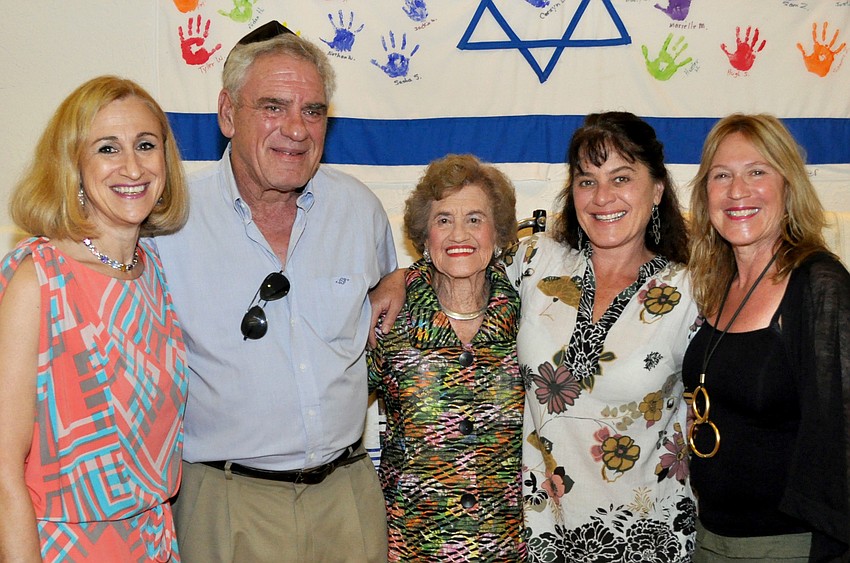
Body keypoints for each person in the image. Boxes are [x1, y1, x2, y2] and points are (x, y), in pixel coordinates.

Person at [152, 21, 397, 563]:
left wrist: (402, 277)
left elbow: (392, 292)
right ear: (226, 113)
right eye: (273, 106)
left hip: (346, 496)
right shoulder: (167, 223)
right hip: (223, 501)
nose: (296, 129)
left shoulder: (360, 212)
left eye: (313, 111)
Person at [0, 75, 189, 562]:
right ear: (73, 166)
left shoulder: (155, 272)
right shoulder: (36, 278)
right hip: (58, 547)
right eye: (108, 148)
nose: (132, 167)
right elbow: (3, 468)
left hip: (153, 541)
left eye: (146, 145)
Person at [507, 112, 699, 561]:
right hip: (540, 537)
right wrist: (396, 281)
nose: (602, 197)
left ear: (656, 190)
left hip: (649, 541)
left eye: (622, 178)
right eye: (587, 181)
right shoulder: (535, 263)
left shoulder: (692, 290)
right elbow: (458, 269)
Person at [683, 113, 850, 562]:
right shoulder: (716, 281)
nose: (738, 191)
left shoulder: (819, 283)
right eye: (722, 176)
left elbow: (843, 435)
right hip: (711, 537)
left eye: (757, 171)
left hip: (790, 545)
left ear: (788, 185)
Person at [368, 154, 525, 562]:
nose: (460, 234)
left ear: (499, 232)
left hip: (506, 548)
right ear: (424, 236)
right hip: (412, 549)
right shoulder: (389, 319)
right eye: (443, 220)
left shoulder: (530, 316)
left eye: (475, 219)